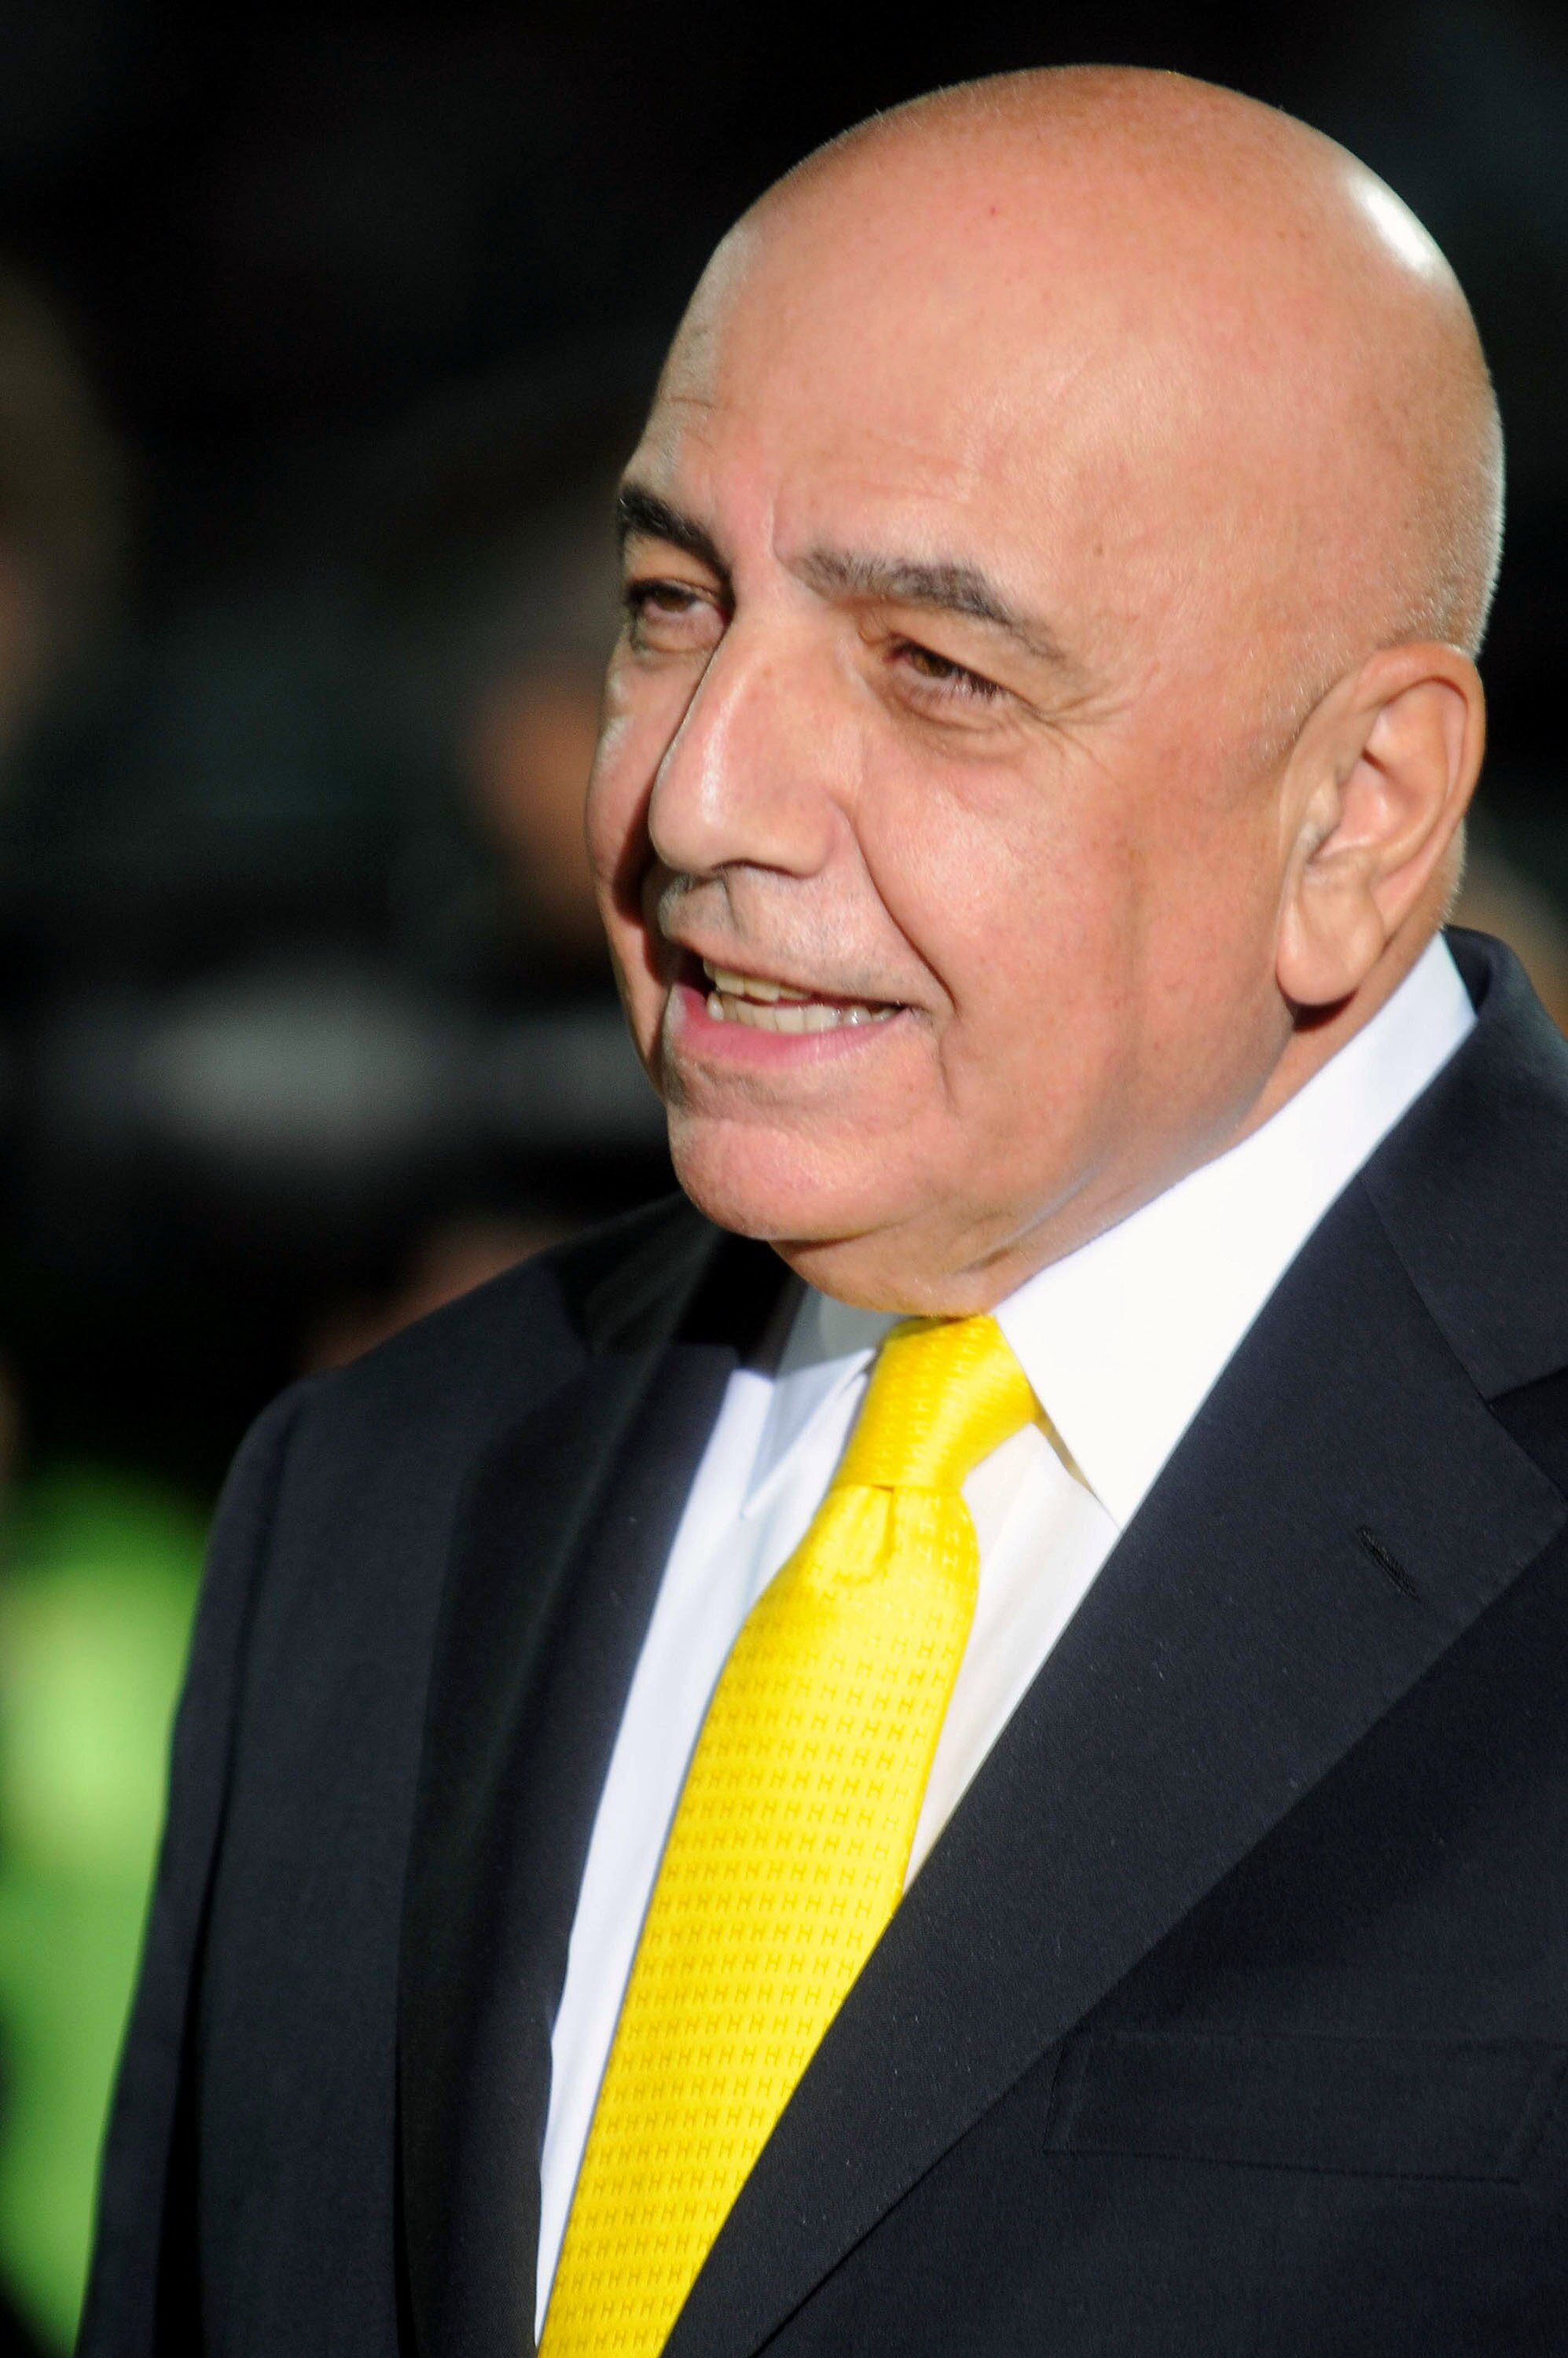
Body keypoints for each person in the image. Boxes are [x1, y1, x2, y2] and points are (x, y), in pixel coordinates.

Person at [82, 68, 1568, 2356]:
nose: (697, 795)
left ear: (1360, 813)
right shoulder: (372, 1502)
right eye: (672, 604)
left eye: (935, 671)